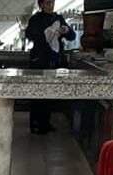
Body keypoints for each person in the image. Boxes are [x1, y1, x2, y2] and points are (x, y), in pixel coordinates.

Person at [25, 0, 76, 135]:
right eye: (48, 3)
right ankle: (35, 124)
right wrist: (48, 33)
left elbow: (72, 36)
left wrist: (66, 30)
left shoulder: (58, 18)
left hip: (54, 61)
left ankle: (45, 123)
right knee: (37, 93)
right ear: (41, 5)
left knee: (49, 92)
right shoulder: (35, 19)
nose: (51, 5)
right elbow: (30, 35)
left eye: (52, 2)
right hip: (39, 60)